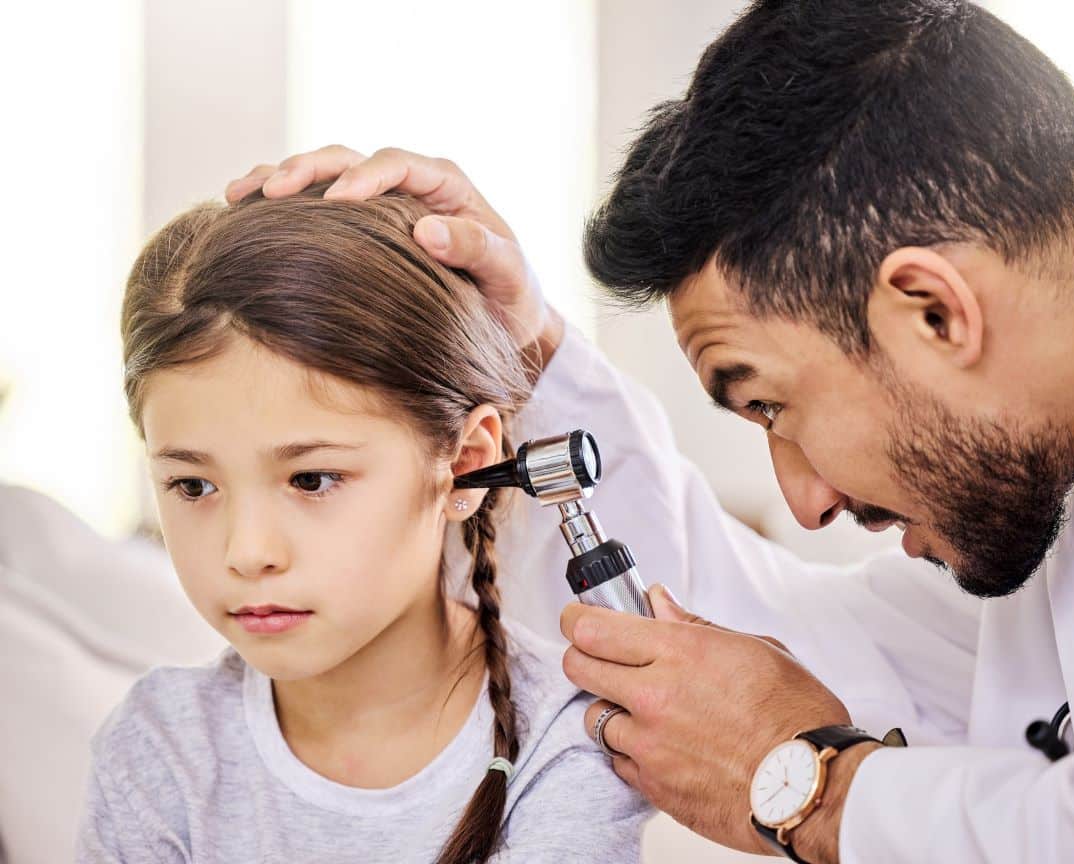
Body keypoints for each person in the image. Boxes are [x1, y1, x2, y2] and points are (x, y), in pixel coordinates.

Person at [227, 2, 1074, 862]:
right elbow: (763, 658)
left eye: (770, 403)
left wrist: (815, 792)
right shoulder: (1069, 481)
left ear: (933, 313)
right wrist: (520, 345)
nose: (807, 503)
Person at [76, 188, 649, 863]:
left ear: (464, 463)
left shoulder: (566, 740)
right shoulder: (160, 749)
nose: (247, 551)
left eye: (312, 480)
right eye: (193, 485)